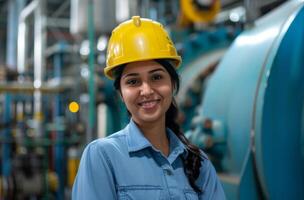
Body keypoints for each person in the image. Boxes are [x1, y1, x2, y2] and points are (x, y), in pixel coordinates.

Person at [72, 16, 225, 200]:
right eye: (133, 81)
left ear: (173, 85)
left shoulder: (198, 162)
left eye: (156, 77)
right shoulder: (103, 156)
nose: (146, 90)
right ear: (121, 93)